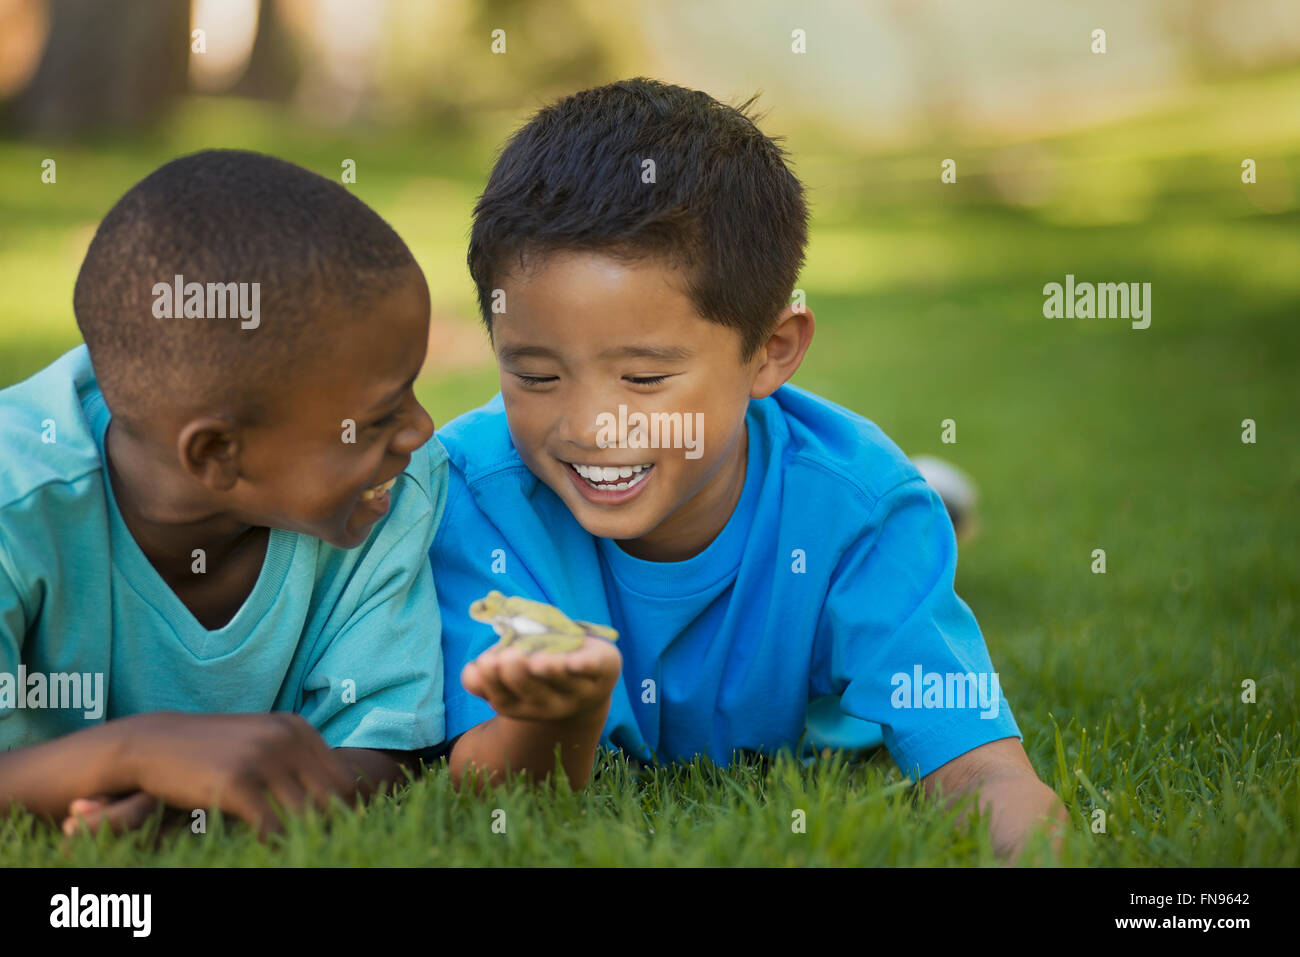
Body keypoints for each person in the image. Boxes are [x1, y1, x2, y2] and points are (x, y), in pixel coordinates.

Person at [432, 79, 1066, 860]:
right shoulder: (470, 495)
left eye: (643, 379)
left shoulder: (860, 514)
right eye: (534, 375)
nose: (591, 428)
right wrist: (557, 716)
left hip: (847, 512)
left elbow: (981, 774)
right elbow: (487, 792)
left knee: (879, 523)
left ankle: (935, 514)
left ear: (771, 352)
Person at [0, 149, 446, 837]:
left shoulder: (390, 486)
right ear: (215, 454)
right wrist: (136, 753)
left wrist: (184, 803)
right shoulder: (16, 500)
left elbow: (387, 748)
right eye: (381, 415)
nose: (421, 428)